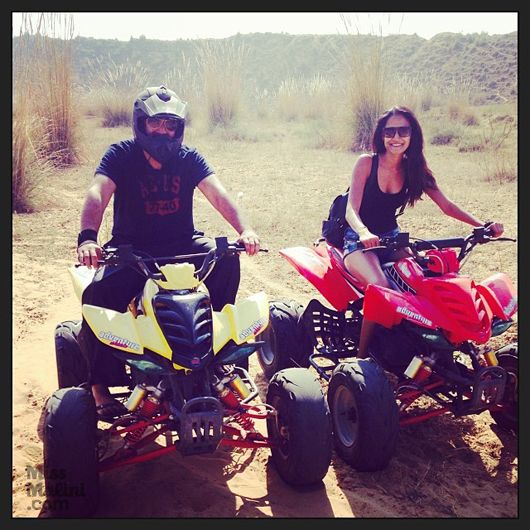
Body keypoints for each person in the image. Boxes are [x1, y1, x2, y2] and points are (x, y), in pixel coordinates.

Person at [76, 85, 260, 420]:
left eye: (171, 125)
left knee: (226, 259)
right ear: (141, 123)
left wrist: (244, 231)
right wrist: (89, 238)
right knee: (96, 296)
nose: (164, 131)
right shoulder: (120, 155)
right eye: (156, 124)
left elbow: (219, 194)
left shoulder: (189, 158)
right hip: (131, 251)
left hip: (182, 246)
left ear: (179, 129)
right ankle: (100, 388)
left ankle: (217, 355)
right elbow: (97, 193)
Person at [342, 105, 504, 358]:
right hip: (358, 241)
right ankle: (363, 358)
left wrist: (481, 226)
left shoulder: (414, 169)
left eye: (403, 131)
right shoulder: (366, 163)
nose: (396, 138)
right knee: (381, 286)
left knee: (424, 280)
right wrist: (363, 232)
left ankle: (424, 346)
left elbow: (446, 205)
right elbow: (351, 209)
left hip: (392, 238)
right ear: (381, 136)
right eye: (390, 132)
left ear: (412, 135)